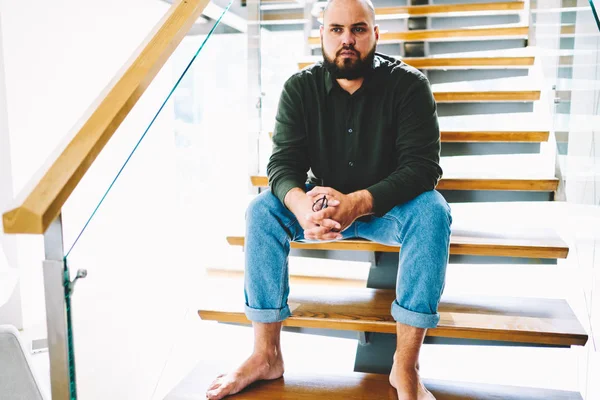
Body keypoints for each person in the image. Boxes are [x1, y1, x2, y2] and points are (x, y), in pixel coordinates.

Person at [206, 0, 451, 398]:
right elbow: (283, 164)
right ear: (321, 34)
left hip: (388, 209)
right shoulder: (300, 89)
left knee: (433, 212)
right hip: (323, 207)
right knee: (262, 211)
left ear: (375, 34)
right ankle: (266, 354)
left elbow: (423, 169)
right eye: (336, 29)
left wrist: (357, 202)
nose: (347, 40)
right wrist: (302, 206)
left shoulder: (409, 85)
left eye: (358, 29)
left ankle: (405, 366)